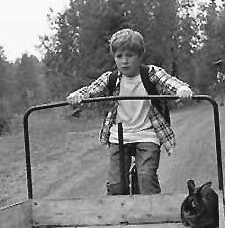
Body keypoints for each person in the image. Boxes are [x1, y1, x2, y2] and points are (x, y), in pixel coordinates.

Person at [67, 28, 193, 195]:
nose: (124, 61)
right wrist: (78, 96)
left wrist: (183, 89)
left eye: (130, 55)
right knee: (116, 185)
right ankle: (119, 216)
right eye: (119, 56)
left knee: (146, 178)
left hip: (147, 133)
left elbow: (170, 82)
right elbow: (92, 90)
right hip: (119, 135)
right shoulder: (111, 78)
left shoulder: (151, 73)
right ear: (114, 57)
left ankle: (151, 213)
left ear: (139, 56)